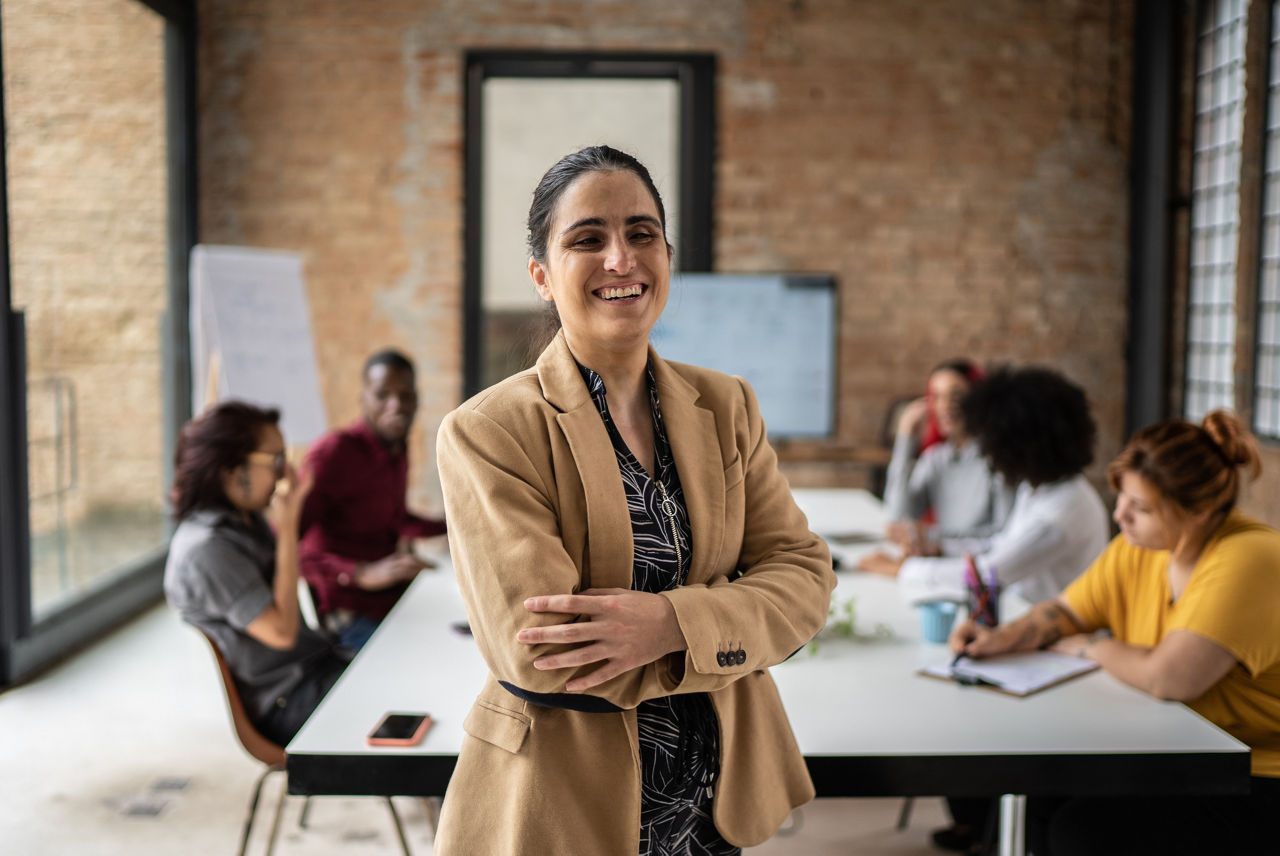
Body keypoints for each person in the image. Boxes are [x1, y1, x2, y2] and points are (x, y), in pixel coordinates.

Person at [432, 145, 836, 855]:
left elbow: (804, 579)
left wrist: (670, 623)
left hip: (713, 805)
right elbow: (544, 657)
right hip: (566, 808)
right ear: (541, 276)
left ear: (666, 257)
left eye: (641, 233)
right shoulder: (489, 432)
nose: (621, 258)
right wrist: (738, 625)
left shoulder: (728, 404)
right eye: (588, 239)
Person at [948, 410, 1280, 855]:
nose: (1119, 515)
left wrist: (1092, 646)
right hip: (1173, 750)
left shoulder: (1249, 559)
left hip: (1253, 773)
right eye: (1121, 497)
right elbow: (1067, 611)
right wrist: (1003, 637)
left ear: (1199, 511)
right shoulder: (1139, 546)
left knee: (1084, 831)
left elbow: (1169, 678)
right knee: (1043, 796)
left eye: (1141, 508)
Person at [163, 400, 348, 746]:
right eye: (275, 460)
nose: (285, 474)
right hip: (288, 701)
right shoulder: (207, 550)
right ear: (231, 471)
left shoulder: (243, 521)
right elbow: (281, 632)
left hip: (312, 670)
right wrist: (289, 526)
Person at [860, 366, 1110, 609]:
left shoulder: (1058, 516)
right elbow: (1002, 543)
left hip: (1048, 634)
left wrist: (901, 570)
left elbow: (989, 573)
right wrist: (938, 547)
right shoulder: (1038, 489)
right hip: (1021, 613)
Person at [297, 349, 447, 651]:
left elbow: (394, 518)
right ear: (363, 399)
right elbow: (283, 546)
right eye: (382, 395)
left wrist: (455, 524)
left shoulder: (395, 448)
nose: (397, 406)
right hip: (346, 610)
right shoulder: (333, 453)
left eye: (406, 396)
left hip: (390, 596)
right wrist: (359, 573)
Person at [881, 358, 1015, 553]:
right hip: (939, 571)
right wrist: (905, 438)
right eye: (936, 397)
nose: (944, 406)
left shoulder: (999, 460)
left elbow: (1005, 538)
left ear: (979, 399)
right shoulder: (936, 459)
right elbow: (896, 519)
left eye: (956, 395)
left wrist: (934, 539)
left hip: (979, 574)